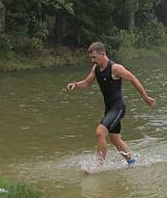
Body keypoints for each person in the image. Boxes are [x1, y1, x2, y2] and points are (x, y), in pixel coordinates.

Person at [66, 42, 155, 170]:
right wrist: (75, 85)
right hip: (109, 109)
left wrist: (146, 98)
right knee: (115, 139)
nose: (92, 61)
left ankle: (98, 165)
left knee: (100, 132)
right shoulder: (96, 69)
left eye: (94, 57)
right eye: (91, 58)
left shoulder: (115, 68)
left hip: (118, 108)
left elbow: (133, 79)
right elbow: (86, 83)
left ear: (103, 54)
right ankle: (133, 163)